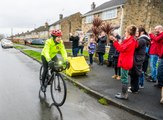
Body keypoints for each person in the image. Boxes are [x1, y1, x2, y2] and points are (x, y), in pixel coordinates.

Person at [109, 25, 138, 100]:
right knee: (124, 78)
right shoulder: (131, 40)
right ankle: (123, 93)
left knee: (124, 78)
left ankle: (124, 95)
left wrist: (115, 41)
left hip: (125, 62)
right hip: (126, 61)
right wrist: (117, 41)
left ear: (129, 32)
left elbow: (121, 49)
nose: (125, 33)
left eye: (126, 31)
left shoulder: (131, 41)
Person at [128, 27, 149, 93]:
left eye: (137, 31)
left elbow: (135, 47)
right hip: (137, 58)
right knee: (134, 74)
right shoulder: (141, 39)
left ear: (141, 32)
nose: (136, 33)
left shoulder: (142, 40)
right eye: (135, 31)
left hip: (137, 59)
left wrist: (132, 39)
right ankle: (134, 87)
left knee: (135, 74)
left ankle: (134, 89)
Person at [149, 25, 163, 104]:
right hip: (160, 55)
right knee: (159, 69)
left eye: (156, 29)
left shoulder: (162, 34)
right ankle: (160, 83)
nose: (155, 30)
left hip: (160, 55)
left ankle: (159, 82)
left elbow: (157, 39)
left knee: (159, 69)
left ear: (160, 29)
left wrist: (151, 34)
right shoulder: (159, 35)